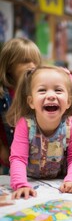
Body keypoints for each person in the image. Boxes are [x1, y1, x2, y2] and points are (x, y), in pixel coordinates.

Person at [6, 65, 72, 199]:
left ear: (68, 102)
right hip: (29, 181)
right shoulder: (25, 124)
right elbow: (18, 158)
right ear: (31, 102)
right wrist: (21, 184)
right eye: (42, 90)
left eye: (58, 90)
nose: (51, 96)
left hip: (57, 185)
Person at [0, 37, 42, 175]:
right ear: (9, 65)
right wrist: (2, 147)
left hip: (36, 157)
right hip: (9, 155)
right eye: (24, 61)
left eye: (35, 61)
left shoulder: (38, 91)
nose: (32, 65)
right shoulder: (3, 94)